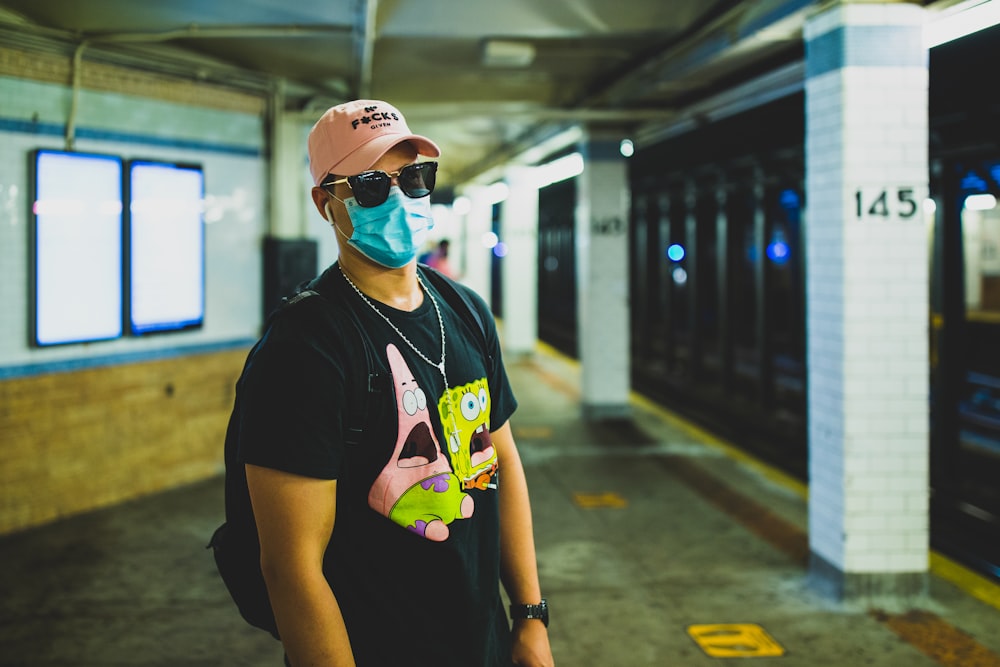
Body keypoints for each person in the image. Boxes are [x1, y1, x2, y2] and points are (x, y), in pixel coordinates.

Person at [231, 99, 554, 667]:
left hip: (484, 644)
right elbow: (291, 568)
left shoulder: (465, 309)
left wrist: (529, 617)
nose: (402, 197)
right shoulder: (305, 348)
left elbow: (501, 461)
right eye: (373, 186)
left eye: (415, 177)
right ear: (327, 204)